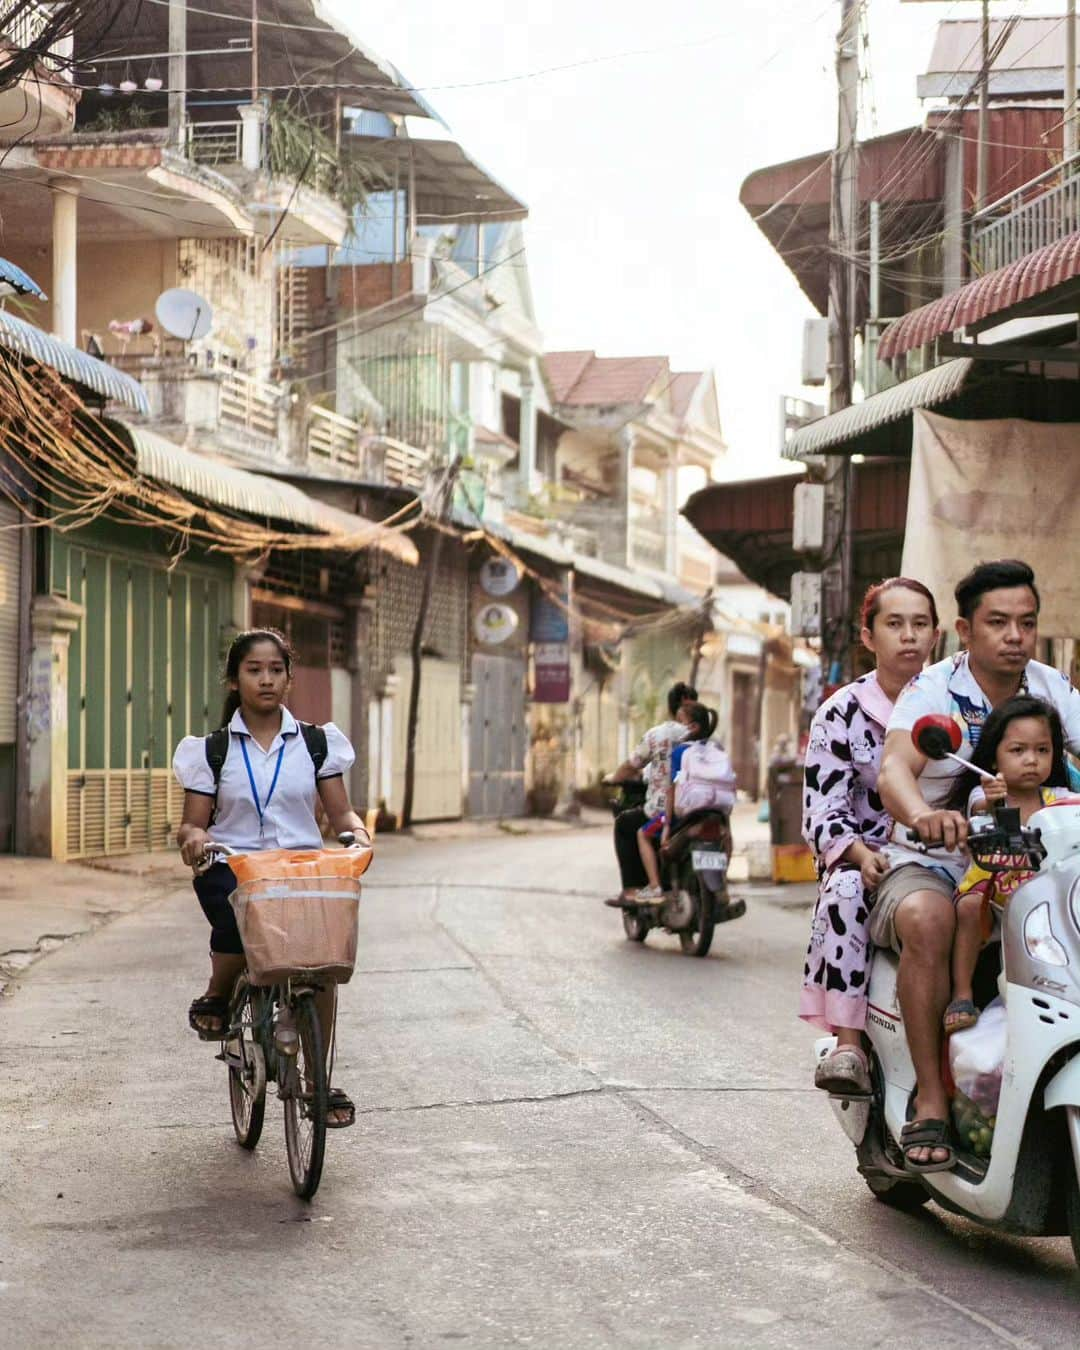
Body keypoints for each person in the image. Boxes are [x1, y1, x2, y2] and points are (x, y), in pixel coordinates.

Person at [877, 559, 1080, 1172]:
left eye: (1027, 622)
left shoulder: (1050, 688)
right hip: (935, 862)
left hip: (1037, 863)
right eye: (998, 622)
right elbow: (893, 769)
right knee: (931, 919)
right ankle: (932, 1098)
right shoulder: (933, 689)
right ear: (965, 631)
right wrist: (922, 816)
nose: (1015, 635)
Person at [173, 627, 370, 1129]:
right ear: (234, 680)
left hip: (301, 870)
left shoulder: (316, 743)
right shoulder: (212, 750)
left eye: (275, 670)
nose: (266, 679)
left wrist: (359, 833)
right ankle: (220, 991)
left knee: (320, 964)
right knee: (238, 922)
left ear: (288, 677)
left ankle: (318, 1083)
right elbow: (194, 822)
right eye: (254, 670)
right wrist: (194, 838)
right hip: (234, 864)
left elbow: (340, 815)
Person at [801, 578, 940, 1097]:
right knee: (844, 891)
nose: (909, 636)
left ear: (938, 634)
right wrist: (859, 855)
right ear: (868, 635)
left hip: (943, 856)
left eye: (919, 624)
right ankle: (849, 1044)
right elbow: (821, 808)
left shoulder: (955, 702)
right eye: (894, 624)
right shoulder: (839, 713)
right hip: (869, 860)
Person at [946, 696, 1073, 1035]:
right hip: (993, 892)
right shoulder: (986, 795)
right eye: (1018, 750)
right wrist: (990, 798)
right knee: (969, 907)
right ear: (994, 755)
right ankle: (961, 993)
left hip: (1042, 892)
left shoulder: (1059, 797)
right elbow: (978, 810)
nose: (1031, 760)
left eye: (1042, 750)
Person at [603, 681, 697, 907]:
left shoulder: (659, 735)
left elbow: (632, 764)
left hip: (665, 811)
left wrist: (614, 778)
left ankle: (635, 889)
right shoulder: (707, 738)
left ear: (670, 708)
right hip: (699, 810)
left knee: (626, 824)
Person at [633, 702, 720, 900]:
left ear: (694, 727)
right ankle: (721, 890)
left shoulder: (681, 752)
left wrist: (666, 826)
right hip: (713, 812)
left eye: (681, 722)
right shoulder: (715, 749)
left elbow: (672, 789)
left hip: (684, 815)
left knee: (642, 834)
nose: (677, 727)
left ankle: (655, 886)